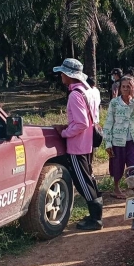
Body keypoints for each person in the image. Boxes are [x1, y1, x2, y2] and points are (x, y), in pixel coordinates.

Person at [53, 58, 103, 231]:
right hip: (88, 142)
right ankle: (95, 214)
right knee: (88, 177)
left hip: (77, 145)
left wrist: (65, 133)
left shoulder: (75, 95)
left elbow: (81, 123)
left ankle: (96, 219)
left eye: (62, 73)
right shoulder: (89, 91)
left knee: (82, 181)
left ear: (69, 75)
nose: (60, 76)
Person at [103, 76, 134, 199]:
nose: (126, 89)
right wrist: (108, 142)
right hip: (117, 141)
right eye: (124, 87)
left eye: (129, 86)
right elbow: (108, 123)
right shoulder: (114, 103)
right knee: (117, 165)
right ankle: (116, 189)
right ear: (120, 88)